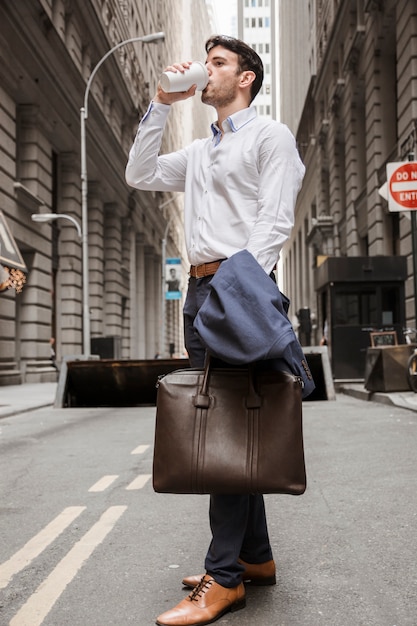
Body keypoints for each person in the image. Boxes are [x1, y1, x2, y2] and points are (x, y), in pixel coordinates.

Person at [125, 34, 305, 626]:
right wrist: (160, 104)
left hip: (236, 288)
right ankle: (254, 557)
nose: (207, 71)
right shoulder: (201, 153)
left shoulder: (269, 136)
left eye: (218, 63)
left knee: (225, 427)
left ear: (246, 78)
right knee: (230, 419)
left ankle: (222, 577)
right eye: (206, 62)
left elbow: (275, 221)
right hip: (199, 291)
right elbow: (140, 172)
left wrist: (237, 288)